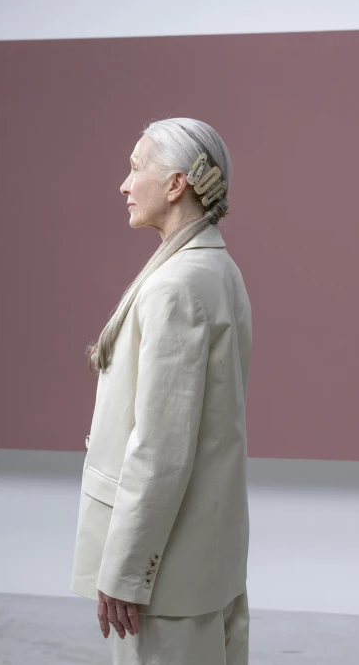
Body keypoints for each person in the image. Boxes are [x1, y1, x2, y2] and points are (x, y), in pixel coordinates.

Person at [70, 117, 252, 664]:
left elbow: (161, 449)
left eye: (135, 167)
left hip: (166, 576)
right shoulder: (219, 270)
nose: (124, 185)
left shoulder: (174, 286)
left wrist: (126, 570)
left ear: (176, 183)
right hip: (207, 557)